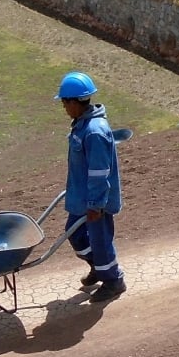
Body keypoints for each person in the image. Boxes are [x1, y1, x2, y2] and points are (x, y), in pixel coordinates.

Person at [57, 71, 126, 303]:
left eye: (65, 102)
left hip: (97, 200)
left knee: (100, 240)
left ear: (76, 102)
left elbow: (99, 172)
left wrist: (96, 204)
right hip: (81, 196)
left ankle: (113, 281)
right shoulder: (81, 124)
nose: (64, 107)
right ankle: (98, 266)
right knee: (75, 234)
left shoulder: (94, 131)